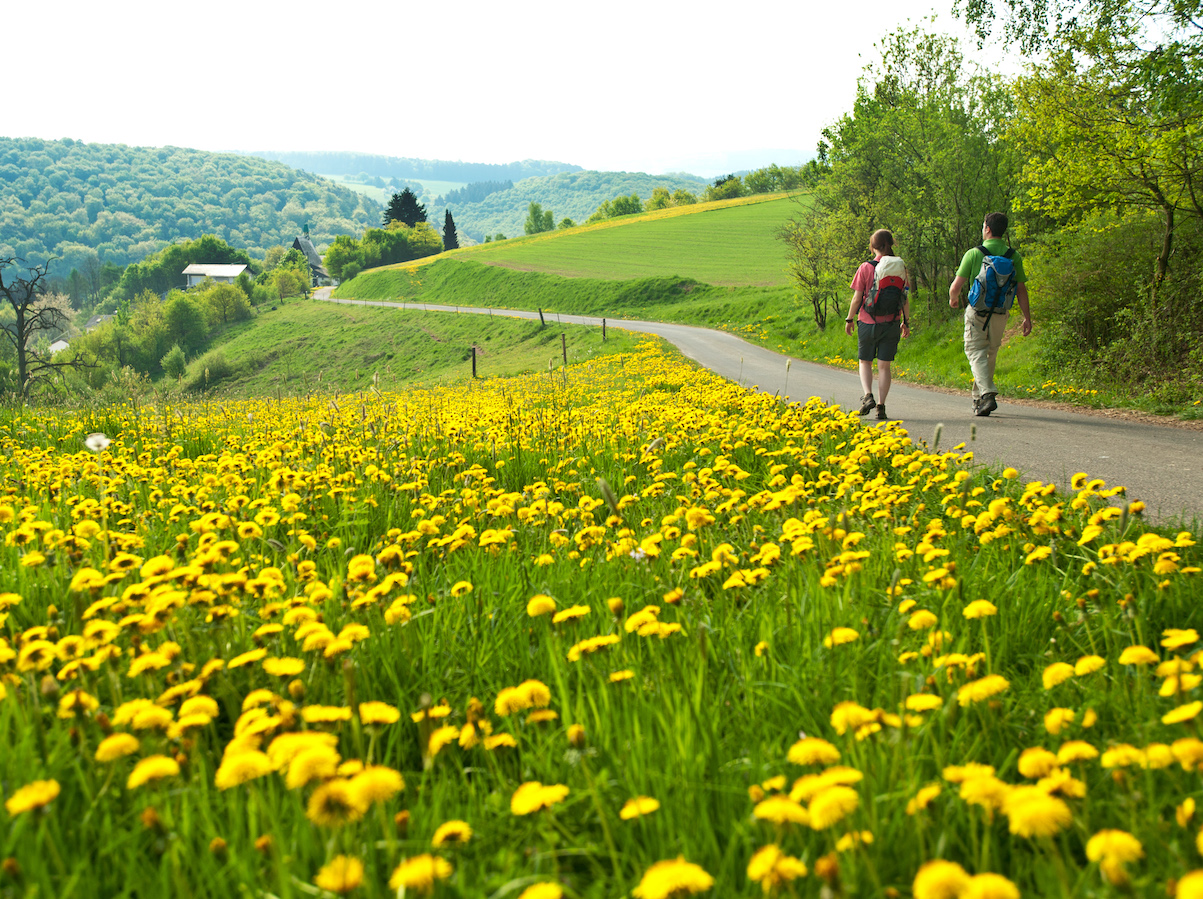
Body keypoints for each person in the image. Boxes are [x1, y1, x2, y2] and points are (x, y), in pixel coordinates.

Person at [948, 212, 1033, 417]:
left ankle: (987, 394)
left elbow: (956, 286)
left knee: (975, 351)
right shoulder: (1014, 256)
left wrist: (953, 298)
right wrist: (1027, 317)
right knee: (990, 353)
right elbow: (1021, 289)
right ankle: (979, 401)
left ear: (987, 228)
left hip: (977, 311)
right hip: (1000, 313)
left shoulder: (974, 253)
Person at [845, 229, 911, 421]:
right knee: (884, 366)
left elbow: (857, 297)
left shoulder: (865, 267)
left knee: (865, 361)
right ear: (892, 243)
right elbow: (904, 298)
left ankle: (868, 396)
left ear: (872, 246)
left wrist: (850, 319)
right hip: (891, 322)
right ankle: (881, 406)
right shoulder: (900, 266)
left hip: (867, 322)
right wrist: (906, 322)